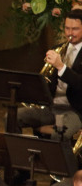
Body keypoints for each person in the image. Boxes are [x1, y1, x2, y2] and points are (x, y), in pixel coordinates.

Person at [19, 7, 82, 139]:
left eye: (75, 29)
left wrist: (60, 66)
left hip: (74, 111)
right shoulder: (57, 49)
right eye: (67, 28)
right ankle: (19, 156)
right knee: (13, 117)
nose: (70, 33)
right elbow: (45, 81)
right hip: (51, 108)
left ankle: (59, 160)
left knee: (59, 132)